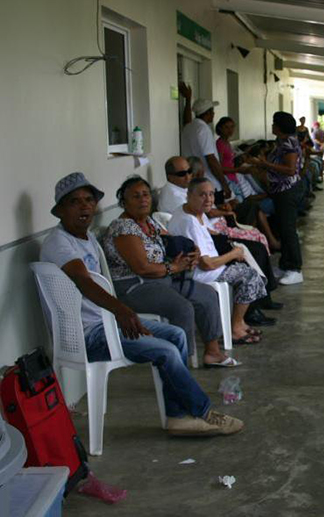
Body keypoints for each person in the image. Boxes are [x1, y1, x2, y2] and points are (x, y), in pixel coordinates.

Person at [42, 173, 243, 435]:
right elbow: (83, 280)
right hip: (90, 334)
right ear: (59, 210)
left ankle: (176, 416)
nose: (84, 207)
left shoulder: (87, 238)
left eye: (89, 200)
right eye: (74, 202)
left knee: (177, 335)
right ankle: (202, 411)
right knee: (167, 351)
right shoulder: (59, 243)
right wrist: (121, 310)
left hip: (107, 324)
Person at [103, 176, 238, 368]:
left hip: (161, 279)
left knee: (207, 294)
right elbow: (142, 268)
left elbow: (174, 241)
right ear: (124, 203)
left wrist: (192, 252)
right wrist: (174, 267)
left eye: (146, 195)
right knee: (182, 308)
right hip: (135, 286)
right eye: (136, 196)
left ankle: (213, 352)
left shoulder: (149, 222)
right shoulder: (123, 227)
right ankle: (179, 365)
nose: (143, 199)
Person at [168, 178, 268, 344]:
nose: (208, 199)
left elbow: (207, 233)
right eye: (202, 195)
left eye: (211, 194)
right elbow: (206, 264)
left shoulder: (188, 211)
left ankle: (240, 322)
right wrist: (234, 253)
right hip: (202, 274)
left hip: (208, 267)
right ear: (189, 195)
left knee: (246, 260)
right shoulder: (189, 222)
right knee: (250, 275)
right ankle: (235, 327)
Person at [251, 112, 304, 286]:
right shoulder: (280, 142)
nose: (272, 126)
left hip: (288, 191)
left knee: (288, 229)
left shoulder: (289, 143)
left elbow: (290, 169)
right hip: (279, 191)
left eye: (274, 123)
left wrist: (264, 164)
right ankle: (285, 264)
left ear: (280, 127)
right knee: (282, 228)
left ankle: (295, 268)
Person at [180, 98, 231, 199]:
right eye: (212, 111)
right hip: (210, 183)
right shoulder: (203, 129)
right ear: (208, 112)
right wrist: (224, 184)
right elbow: (211, 159)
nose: (213, 113)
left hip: (193, 182)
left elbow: (186, 120)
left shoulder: (188, 127)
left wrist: (188, 99)